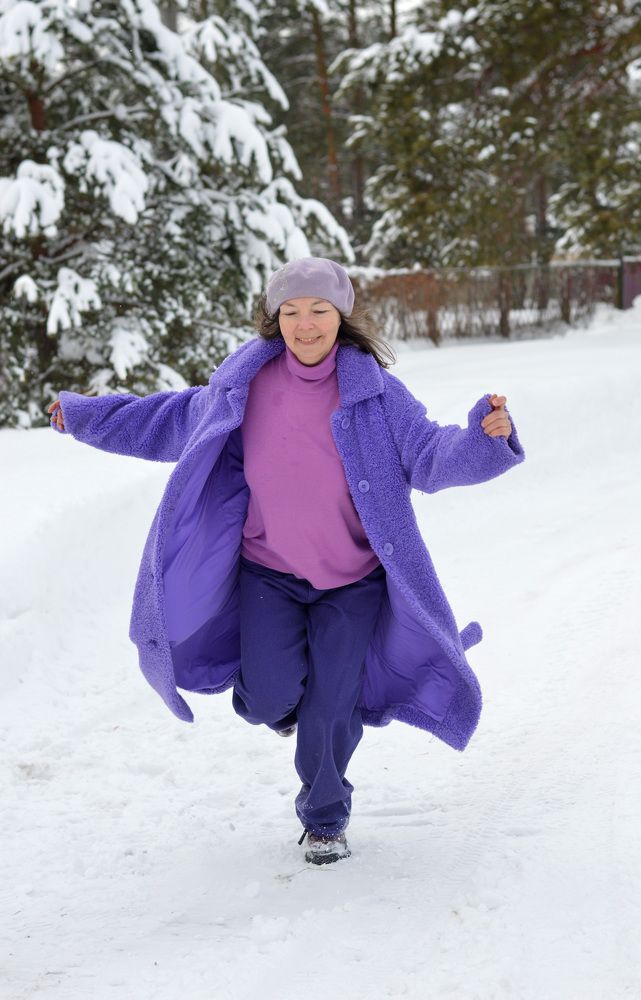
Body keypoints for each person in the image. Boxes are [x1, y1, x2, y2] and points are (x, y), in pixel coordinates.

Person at [48, 256, 525, 866]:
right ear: (275, 319)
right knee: (269, 698)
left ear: (341, 315)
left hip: (353, 584)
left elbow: (431, 454)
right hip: (267, 575)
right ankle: (286, 708)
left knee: (331, 708)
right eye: (292, 311)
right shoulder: (243, 386)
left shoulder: (375, 395)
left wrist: (483, 439)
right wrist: (86, 416)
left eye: (319, 310)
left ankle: (325, 817)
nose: (306, 324)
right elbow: (165, 420)